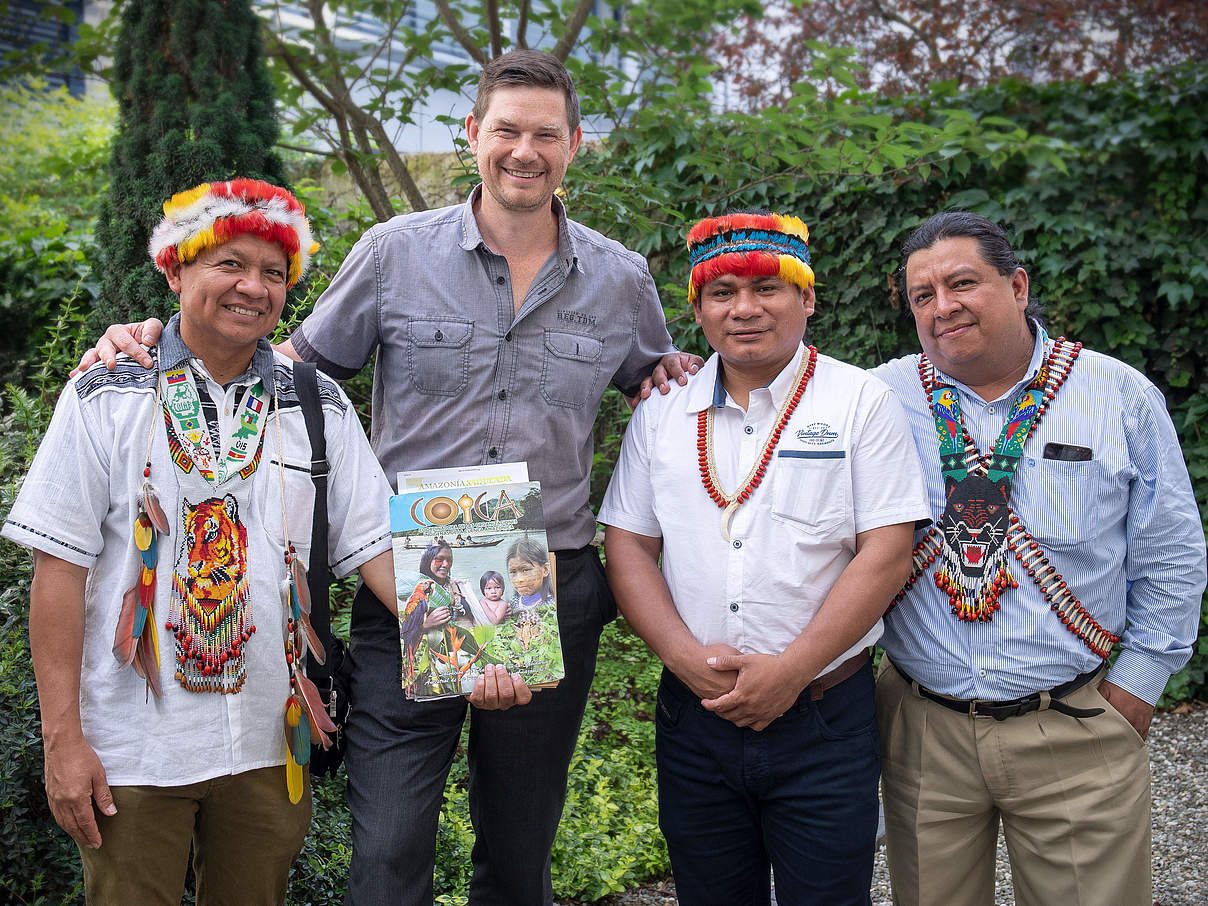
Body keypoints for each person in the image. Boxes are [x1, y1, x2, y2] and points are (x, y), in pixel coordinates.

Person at [76, 49, 699, 906]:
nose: (525, 150)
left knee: (520, 857)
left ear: (576, 144)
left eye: (545, 134)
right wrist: (157, 341)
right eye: (506, 130)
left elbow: (658, 388)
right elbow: (284, 371)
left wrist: (686, 372)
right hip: (403, 575)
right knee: (386, 858)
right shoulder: (394, 254)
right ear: (473, 134)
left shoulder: (622, 278)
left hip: (544, 585)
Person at [3, 179, 401, 904]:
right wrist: (63, 742)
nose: (254, 286)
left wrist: (487, 634)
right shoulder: (108, 396)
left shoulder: (316, 405)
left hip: (268, 744)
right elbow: (57, 571)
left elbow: (380, 548)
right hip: (132, 750)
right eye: (231, 264)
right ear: (175, 269)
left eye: (274, 273)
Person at [871, 211, 1206, 906]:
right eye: (922, 296)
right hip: (923, 732)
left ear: (1018, 285)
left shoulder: (1117, 396)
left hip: (1074, 725)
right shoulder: (877, 400)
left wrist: (1137, 688)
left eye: (963, 282)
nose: (943, 307)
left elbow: (1171, 555)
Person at [598, 211, 932, 905]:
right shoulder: (663, 411)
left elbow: (887, 552)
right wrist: (684, 661)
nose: (744, 309)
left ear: (806, 298)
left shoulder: (860, 402)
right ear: (696, 308)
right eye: (721, 293)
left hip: (822, 717)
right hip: (695, 718)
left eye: (767, 288)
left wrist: (790, 671)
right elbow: (628, 542)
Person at [505, 538, 555, 613]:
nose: (519, 579)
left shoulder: (552, 606)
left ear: (545, 570)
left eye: (525, 570)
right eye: (513, 572)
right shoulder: (513, 603)